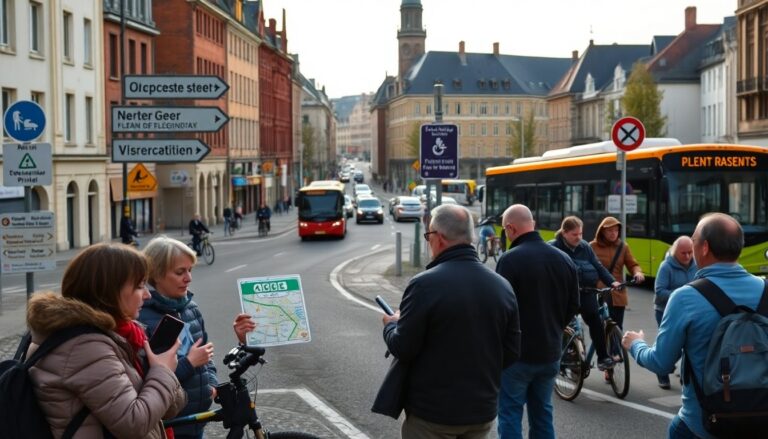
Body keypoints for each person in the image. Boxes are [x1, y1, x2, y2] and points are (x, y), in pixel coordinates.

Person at [378, 204, 520, 438]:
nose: (428, 242)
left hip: (433, 414)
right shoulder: (502, 286)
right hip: (481, 412)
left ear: (439, 238)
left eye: (428, 236)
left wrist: (391, 324)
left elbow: (403, 347)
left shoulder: (424, 285)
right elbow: (512, 351)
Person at [623, 213, 765, 438]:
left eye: (694, 239)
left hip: (704, 424)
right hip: (761, 418)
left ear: (704, 247)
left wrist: (636, 345)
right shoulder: (765, 289)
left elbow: (661, 363)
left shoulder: (685, 297)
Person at [26, 243, 187, 439]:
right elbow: (133, 424)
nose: (147, 294)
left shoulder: (119, 335)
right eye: (139, 286)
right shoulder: (84, 347)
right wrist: (162, 371)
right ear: (108, 292)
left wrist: (157, 370)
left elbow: (170, 408)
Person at [495, 205, 580, 439]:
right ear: (532, 224)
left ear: (511, 228)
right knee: (542, 413)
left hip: (516, 355)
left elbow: (500, 309)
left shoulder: (509, 260)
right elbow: (574, 304)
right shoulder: (564, 259)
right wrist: (555, 326)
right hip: (550, 352)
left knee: (510, 413)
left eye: (505, 230)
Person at [139, 236, 217, 439]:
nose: (188, 278)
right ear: (156, 274)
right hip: (170, 425)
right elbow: (146, 380)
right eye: (180, 272)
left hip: (197, 420)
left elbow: (205, 355)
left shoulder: (191, 308)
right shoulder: (142, 318)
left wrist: (212, 384)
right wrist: (189, 363)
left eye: (190, 270)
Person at [551, 216, 621, 371]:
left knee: (596, 321)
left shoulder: (585, 247)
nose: (579, 238)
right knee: (564, 325)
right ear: (564, 233)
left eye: (581, 234)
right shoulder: (553, 248)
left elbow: (598, 266)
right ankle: (562, 356)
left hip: (586, 292)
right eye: (574, 234)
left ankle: (603, 358)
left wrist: (612, 282)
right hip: (565, 295)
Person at [652, 235, 696, 390]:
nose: (687, 256)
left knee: (690, 344)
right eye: (683, 253)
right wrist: (682, 296)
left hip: (690, 311)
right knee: (670, 345)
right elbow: (659, 292)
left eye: (690, 252)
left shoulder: (697, 265)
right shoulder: (666, 266)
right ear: (675, 251)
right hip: (665, 311)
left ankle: (685, 375)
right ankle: (662, 372)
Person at [590, 216, 645, 329]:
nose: (613, 233)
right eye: (610, 230)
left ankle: (615, 340)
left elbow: (633, 265)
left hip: (618, 294)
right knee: (599, 329)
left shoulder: (623, 247)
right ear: (602, 231)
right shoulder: (592, 246)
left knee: (617, 328)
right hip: (599, 293)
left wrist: (638, 273)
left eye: (616, 230)